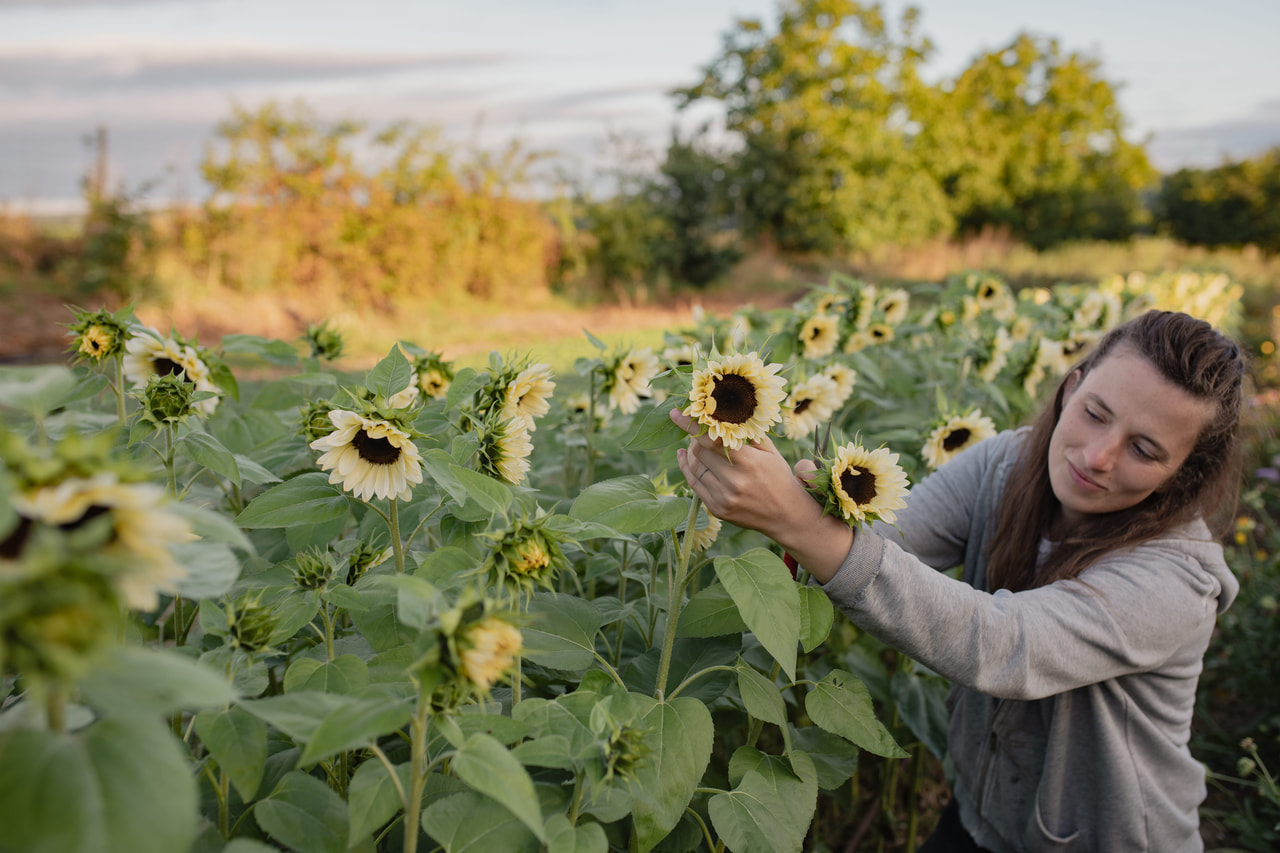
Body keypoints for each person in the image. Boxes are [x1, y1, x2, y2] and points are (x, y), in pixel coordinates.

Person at [671, 309, 1246, 852]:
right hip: (982, 816)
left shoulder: (1176, 579)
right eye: (1095, 413)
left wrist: (801, 524)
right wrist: (790, 497)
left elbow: (1005, 645)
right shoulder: (1005, 464)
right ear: (1070, 389)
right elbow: (889, 548)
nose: (1098, 456)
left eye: (1143, 450)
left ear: (1181, 474)